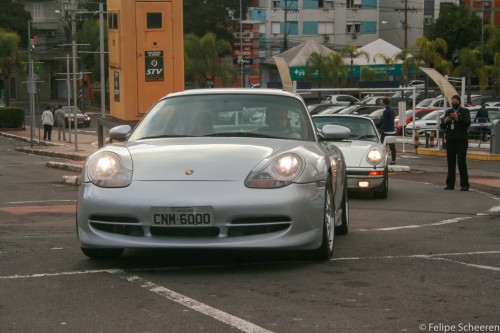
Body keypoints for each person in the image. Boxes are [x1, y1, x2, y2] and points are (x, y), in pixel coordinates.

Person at [439, 95, 471, 191]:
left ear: (459, 102)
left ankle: (464, 184)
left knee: (461, 162)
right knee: (450, 162)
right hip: (451, 139)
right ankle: (450, 184)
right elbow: (442, 126)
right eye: (452, 102)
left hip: (461, 140)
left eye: (455, 102)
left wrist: (457, 117)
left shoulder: (465, 112)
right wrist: (446, 120)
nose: (454, 103)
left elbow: (467, 123)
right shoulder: (449, 112)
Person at [380, 97, 397, 165]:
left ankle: (382, 161)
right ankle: (393, 160)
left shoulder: (385, 111)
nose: (381, 103)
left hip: (386, 132)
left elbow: (385, 122)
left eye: (381, 102)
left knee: (382, 147)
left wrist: (381, 130)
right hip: (392, 131)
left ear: (384, 103)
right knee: (392, 147)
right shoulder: (392, 110)